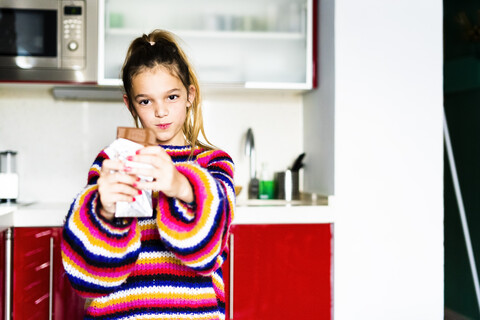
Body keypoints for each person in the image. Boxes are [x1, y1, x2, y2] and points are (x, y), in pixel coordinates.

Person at [61, 29, 235, 320]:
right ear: (130, 104)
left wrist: (180, 184)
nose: (161, 112)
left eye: (172, 97)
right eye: (146, 101)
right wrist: (103, 210)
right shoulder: (110, 161)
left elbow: (207, 254)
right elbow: (87, 279)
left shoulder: (214, 163)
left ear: (190, 95)